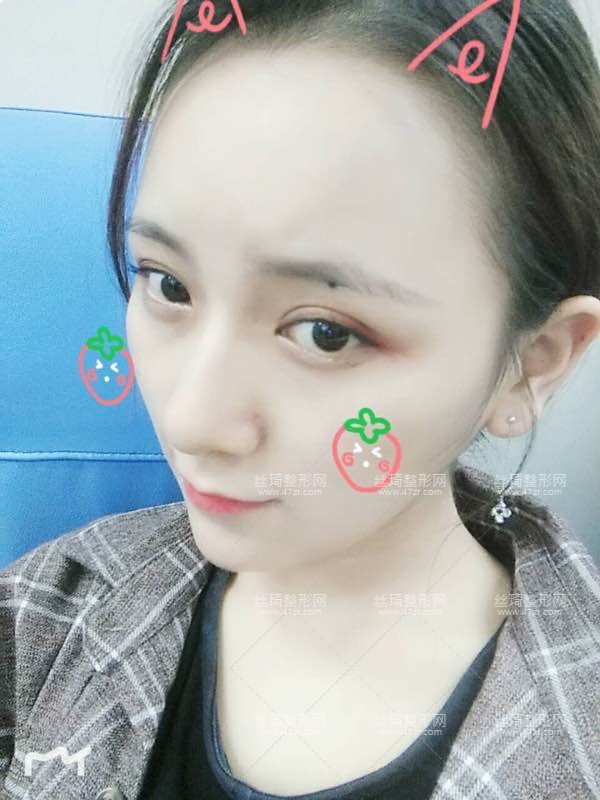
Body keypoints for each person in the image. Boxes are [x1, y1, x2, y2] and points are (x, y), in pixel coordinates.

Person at [2, 1, 600, 798]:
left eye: (326, 333)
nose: (191, 421)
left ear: (530, 364)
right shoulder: (45, 616)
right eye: (168, 285)